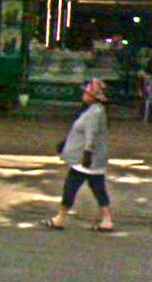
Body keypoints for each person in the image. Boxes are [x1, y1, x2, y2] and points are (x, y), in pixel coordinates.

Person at [41, 78, 113, 232]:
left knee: (71, 186)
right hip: (92, 159)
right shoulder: (94, 110)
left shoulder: (94, 113)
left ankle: (60, 218)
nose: (84, 95)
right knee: (98, 188)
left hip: (85, 160)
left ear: (94, 97)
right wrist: (67, 143)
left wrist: (87, 153)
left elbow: (91, 135)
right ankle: (107, 219)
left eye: (87, 93)